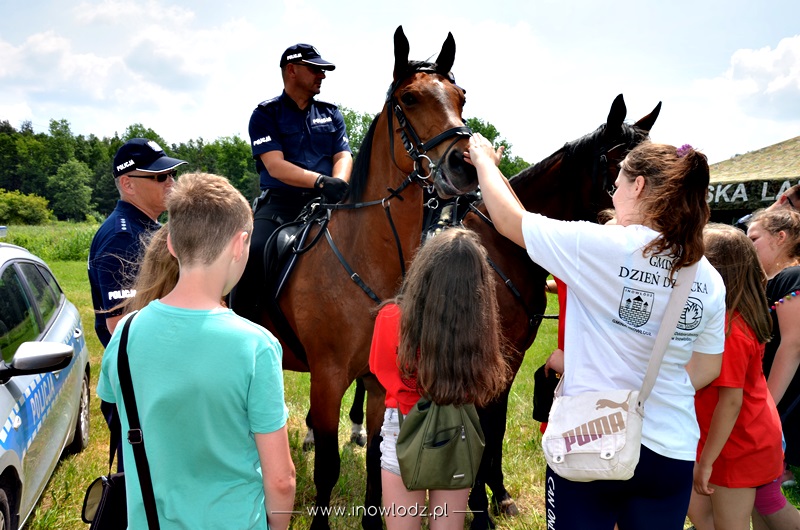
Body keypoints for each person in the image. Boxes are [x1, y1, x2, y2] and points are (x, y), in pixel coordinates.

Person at [467, 137, 726, 529]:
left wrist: (484, 161)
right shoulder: (706, 276)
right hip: (670, 450)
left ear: (638, 186)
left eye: (617, 184)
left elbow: (508, 220)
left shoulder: (603, 245)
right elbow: (707, 367)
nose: (614, 194)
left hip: (589, 437)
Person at [97, 173, 296, 529]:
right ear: (240, 244)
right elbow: (281, 479)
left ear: (171, 244)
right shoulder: (257, 345)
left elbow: (119, 407)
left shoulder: (125, 333)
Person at [369, 228, 509, 530]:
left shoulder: (390, 317)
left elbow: (379, 369)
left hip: (403, 429)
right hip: (456, 431)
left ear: (423, 269)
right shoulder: (478, 328)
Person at [230, 42, 353, 323]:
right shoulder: (265, 114)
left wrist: (338, 184)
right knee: (252, 252)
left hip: (328, 203)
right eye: (315, 70)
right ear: (292, 70)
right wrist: (321, 181)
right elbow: (275, 166)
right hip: (280, 207)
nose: (322, 75)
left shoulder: (331, 113)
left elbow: (343, 155)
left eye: (323, 71)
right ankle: (243, 325)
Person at [88, 137, 186, 471]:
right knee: (141, 478)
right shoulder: (124, 237)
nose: (170, 181)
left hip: (151, 378)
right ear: (128, 184)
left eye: (171, 174)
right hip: (142, 383)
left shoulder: (147, 228)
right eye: (159, 176)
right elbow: (121, 326)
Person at [687, 223, 783, 530]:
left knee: (730, 524)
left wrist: (706, 461)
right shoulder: (723, 319)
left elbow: (730, 402)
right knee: (703, 516)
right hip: (722, 439)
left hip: (737, 445)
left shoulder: (730, 330)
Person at [746, 208, 800, 529]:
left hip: (780, 399)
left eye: (754, 238)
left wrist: (766, 404)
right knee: (758, 492)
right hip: (772, 399)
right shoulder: (773, 282)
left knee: (765, 493)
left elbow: (792, 346)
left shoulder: (791, 277)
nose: (748, 245)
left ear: (781, 238)